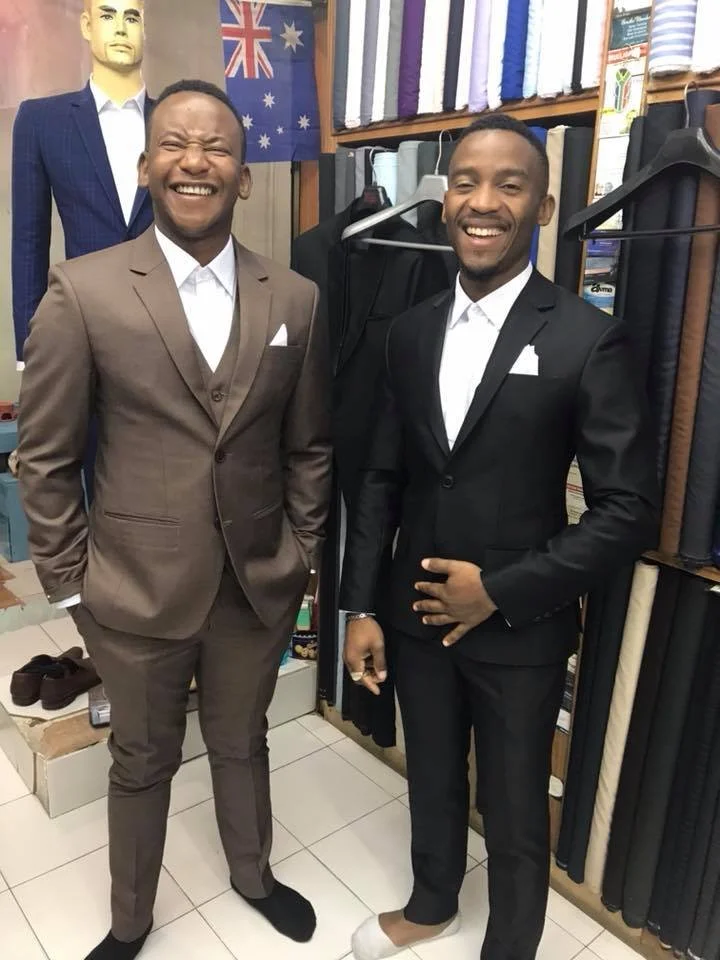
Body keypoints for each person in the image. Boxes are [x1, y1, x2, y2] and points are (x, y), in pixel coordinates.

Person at [18, 79, 331, 960]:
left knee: (243, 739)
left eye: (218, 147)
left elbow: (309, 445)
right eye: (175, 144)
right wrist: (72, 588)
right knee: (142, 760)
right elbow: (44, 459)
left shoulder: (295, 298)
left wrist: (302, 554)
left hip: (255, 584)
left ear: (245, 175)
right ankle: (130, 922)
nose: (196, 161)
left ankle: (254, 876)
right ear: (147, 166)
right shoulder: (83, 291)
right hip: (132, 591)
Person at [340, 114, 658, 960]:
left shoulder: (587, 337)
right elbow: (381, 478)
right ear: (444, 200)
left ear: (543, 207)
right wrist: (360, 606)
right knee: (431, 777)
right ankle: (432, 903)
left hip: (519, 629)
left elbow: (628, 510)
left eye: (509, 186)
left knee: (516, 810)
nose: (483, 202)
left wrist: (500, 591)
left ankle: (511, 946)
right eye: (466, 183)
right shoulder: (409, 332)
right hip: (414, 616)